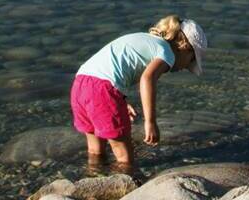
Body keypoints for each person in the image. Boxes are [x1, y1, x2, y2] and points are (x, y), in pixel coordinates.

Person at [71, 15, 208, 177]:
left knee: (95, 149)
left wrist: (120, 99)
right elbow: (147, 79)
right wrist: (150, 122)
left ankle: (93, 181)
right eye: (191, 61)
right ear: (184, 47)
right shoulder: (167, 53)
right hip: (104, 90)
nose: (186, 67)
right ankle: (125, 188)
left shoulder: (143, 39)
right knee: (125, 157)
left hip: (80, 84)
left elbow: (113, 68)